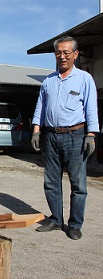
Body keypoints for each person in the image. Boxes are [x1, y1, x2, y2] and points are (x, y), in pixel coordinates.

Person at [31, 36, 99, 240]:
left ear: (75, 55)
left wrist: (91, 135)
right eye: (58, 53)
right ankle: (56, 219)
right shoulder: (48, 81)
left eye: (66, 52)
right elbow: (40, 107)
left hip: (76, 136)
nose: (62, 56)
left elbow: (91, 109)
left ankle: (75, 224)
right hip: (51, 135)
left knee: (78, 184)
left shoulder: (84, 79)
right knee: (51, 181)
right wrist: (36, 130)